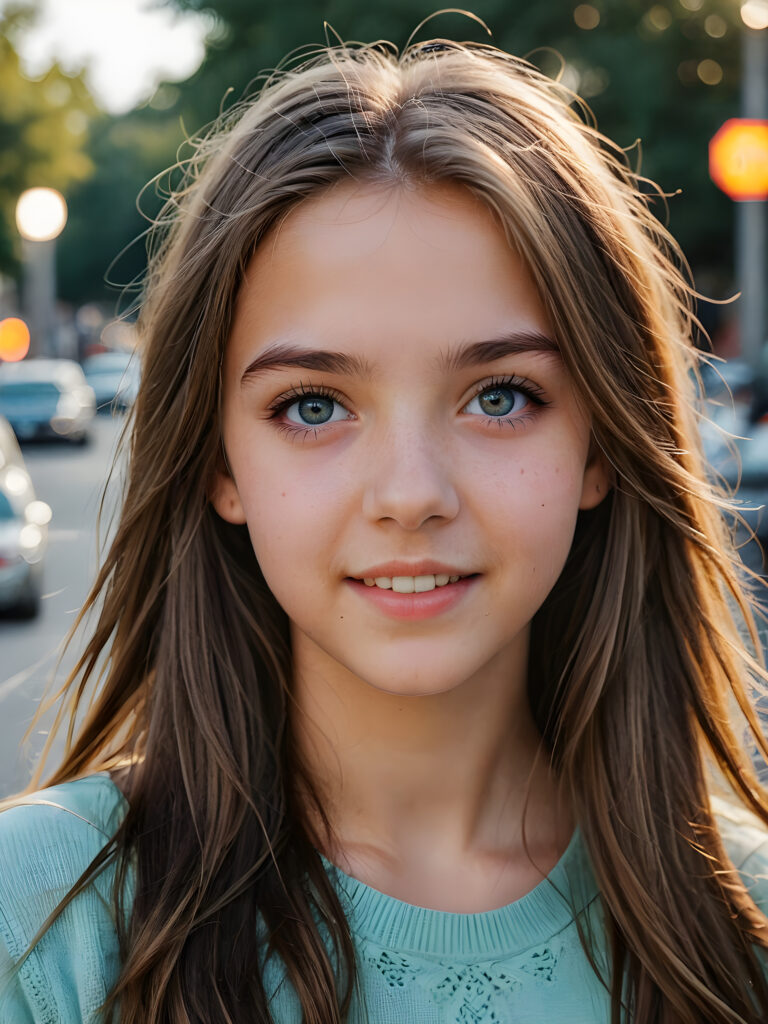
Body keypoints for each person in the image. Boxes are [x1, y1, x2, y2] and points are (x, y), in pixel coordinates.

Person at [1, 32, 768, 1024]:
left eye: (500, 396)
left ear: (602, 446)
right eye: (314, 405)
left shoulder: (744, 919)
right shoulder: (41, 924)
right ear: (219, 463)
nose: (410, 494)